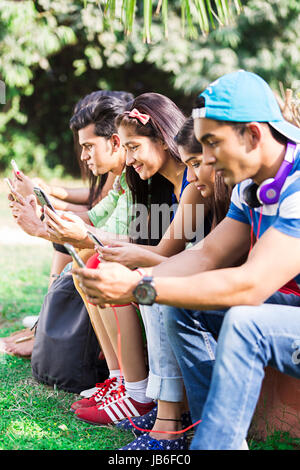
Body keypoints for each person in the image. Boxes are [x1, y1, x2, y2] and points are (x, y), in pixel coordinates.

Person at [72, 70, 300, 450]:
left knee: (247, 322)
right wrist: (138, 280)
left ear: (254, 134)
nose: (204, 159)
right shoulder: (251, 184)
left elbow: (250, 285)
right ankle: (201, 426)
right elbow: (208, 254)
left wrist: (139, 286)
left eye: (212, 143)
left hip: (275, 315)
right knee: (178, 303)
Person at [70, 93, 198, 427]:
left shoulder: (191, 183)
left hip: (197, 278)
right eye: (125, 149)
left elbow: (165, 253)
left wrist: (93, 240)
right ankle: (129, 386)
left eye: (134, 147)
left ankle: (142, 397)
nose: (128, 159)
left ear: (163, 138)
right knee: (99, 267)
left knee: (139, 282)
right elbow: (146, 242)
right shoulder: (158, 186)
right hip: (181, 268)